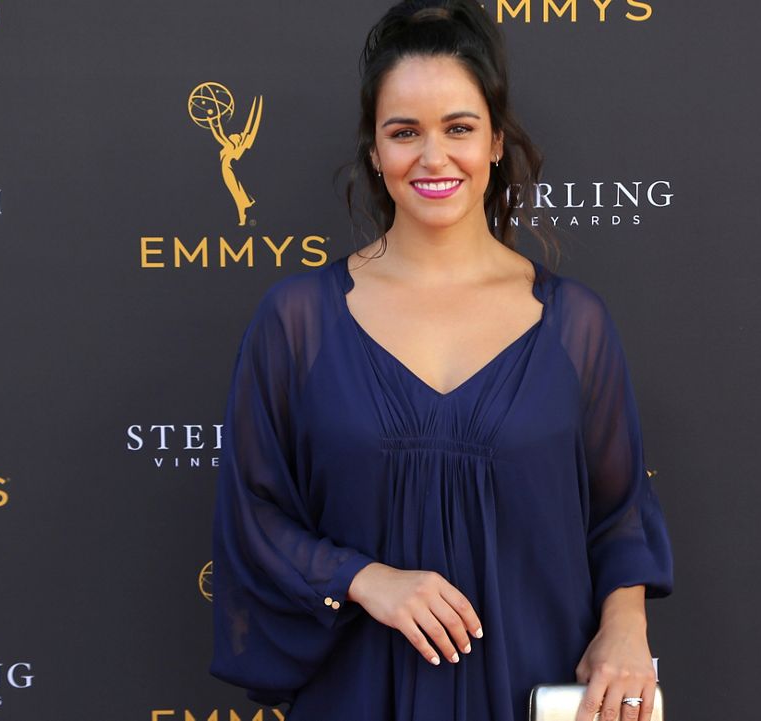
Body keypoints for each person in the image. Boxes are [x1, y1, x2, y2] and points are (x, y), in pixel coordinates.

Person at [209, 2, 673, 719]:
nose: (433, 158)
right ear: (374, 150)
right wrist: (363, 577)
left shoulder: (575, 324)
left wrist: (625, 626)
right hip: (358, 695)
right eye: (404, 133)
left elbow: (617, 512)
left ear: (494, 141)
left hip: (530, 687)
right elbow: (252, 515)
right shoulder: (296, 319)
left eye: (458, 127)